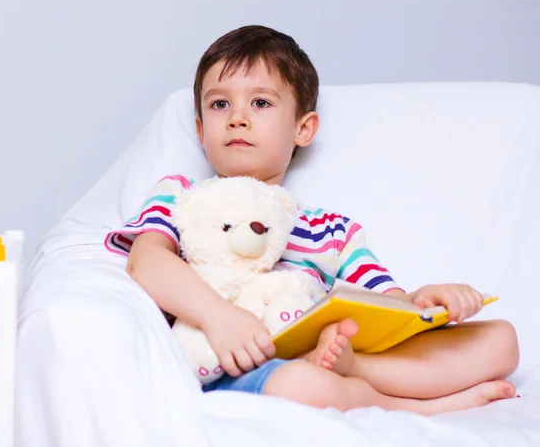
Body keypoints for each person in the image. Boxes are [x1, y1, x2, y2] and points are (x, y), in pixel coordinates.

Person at [105, 25, 520, 415]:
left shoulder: (331, 230)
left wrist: (425, 301)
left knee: (501, 341)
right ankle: (422, 407)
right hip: (241, 365)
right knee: (302, 385)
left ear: (303, 129)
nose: (237, 117)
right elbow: (146, 261)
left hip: (325, 354)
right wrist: (219, 317)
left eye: (261, 102)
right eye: (219, 104)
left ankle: (355, 370)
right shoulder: (182, 196)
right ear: (200, 129)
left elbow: (388, 305)